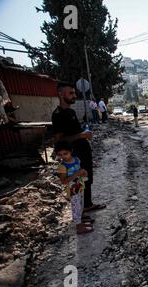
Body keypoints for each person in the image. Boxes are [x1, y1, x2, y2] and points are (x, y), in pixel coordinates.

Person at [52, 81, 106, 215]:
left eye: (74, 92)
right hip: (74, 154)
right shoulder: (58, 114)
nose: (74, 95)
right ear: (60, 94)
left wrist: (83, 134)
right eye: (70, 93)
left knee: (87, 179)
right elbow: (60, 140)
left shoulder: (70, 111)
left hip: (83, 150)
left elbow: (74, 131)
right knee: (77, 182)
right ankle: (79, 212)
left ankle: (87, 205)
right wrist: (81, 135)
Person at [55, 141, 94, 235]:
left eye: (65, 153)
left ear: (71, 151)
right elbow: (64, 181)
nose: (63, 156)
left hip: (79, 186)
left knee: (80, 204)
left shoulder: (76, 159)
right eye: (60, 155)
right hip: (72, 190)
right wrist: (77, 173)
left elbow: (80, 170)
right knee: (76, 207)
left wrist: (84, 173)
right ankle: (79, 227)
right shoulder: (62, 166)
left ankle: (81, 221)